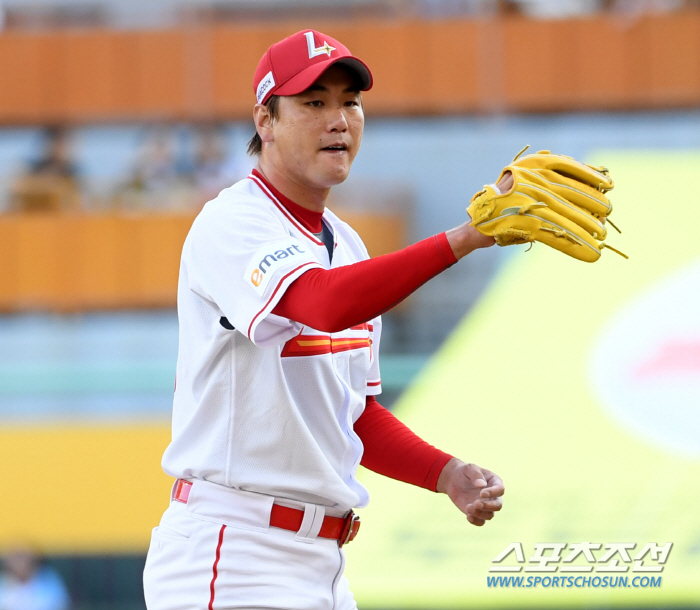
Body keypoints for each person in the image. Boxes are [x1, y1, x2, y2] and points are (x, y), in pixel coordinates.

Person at [143, 29, 508, 610]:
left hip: (325, 565)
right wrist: (462, 240)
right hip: (234, 553)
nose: (338, 119)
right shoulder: (232, 221)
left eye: (350, 102)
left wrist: (445, 474)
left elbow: (352, 415)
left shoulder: (350, 245)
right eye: (314, 103)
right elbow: (320, 303)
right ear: (265, 119)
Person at [0, 545, 70, 610]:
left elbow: (60, 605)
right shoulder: (2, 583)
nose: (19, 561)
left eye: (22, 555)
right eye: (15, 555)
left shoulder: (49, 580)